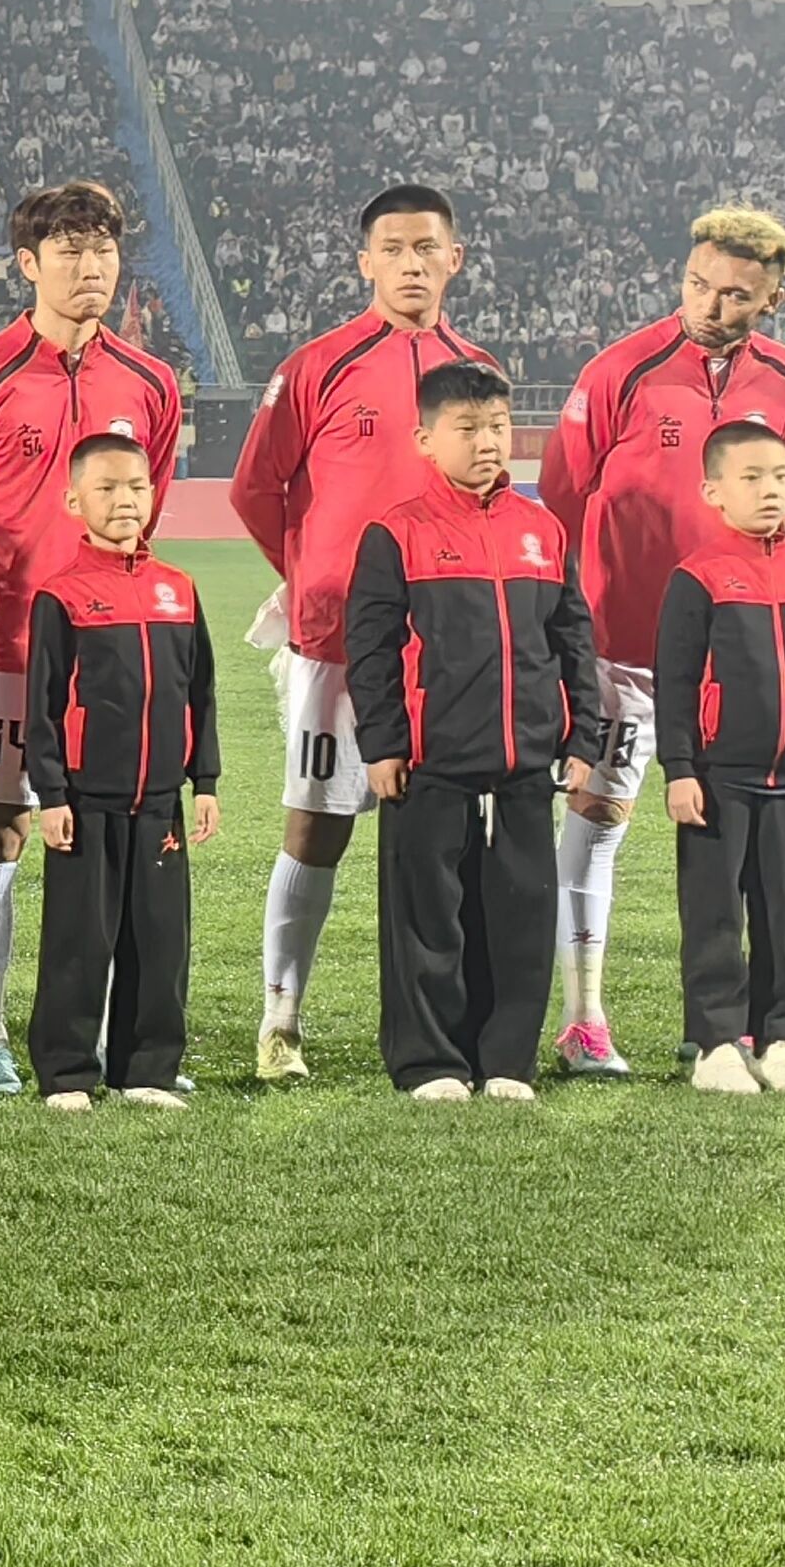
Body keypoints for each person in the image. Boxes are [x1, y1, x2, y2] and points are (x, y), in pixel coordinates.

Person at [0, 182, 182, 1097]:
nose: (91, 267)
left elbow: (148, 502)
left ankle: (100, 1037)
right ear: (27, 264)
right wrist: (0, 603)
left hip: (113, 649)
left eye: (103, 249)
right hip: (11, 651)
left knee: (108, 836)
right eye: (70, 250)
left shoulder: (149, 383)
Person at [226, 183, 496, 1082]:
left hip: (447, 647)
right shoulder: (318, 365)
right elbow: (255, 490)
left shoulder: (477, 370)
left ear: (455, 258)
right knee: (317, 826)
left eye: (427, 247)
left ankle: (437, 1028)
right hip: (338, 643)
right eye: (394, 249)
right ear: (366, 262)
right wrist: (313, 575)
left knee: (441, 838)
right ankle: (281, 1020)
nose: (412, 264)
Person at [538, 205, 785, 1081]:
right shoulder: (620, 370)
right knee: (599, 818)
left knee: (730, 834)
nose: (710, 306)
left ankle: (718, 1027)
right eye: (698, 284)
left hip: (731, 652)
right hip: (622, 646)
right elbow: (560, 504)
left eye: (735, 295)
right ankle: (583, 1021)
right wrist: (567, 637)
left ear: (770, 301)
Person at [342, 360, 595, 1102]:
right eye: (467, 428)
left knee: (521, 917)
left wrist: (582, 738)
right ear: (426, 440)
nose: (487, 442)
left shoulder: (542, 530)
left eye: (498, 426)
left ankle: (505, 1061)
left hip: (526, 765)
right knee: (427, 921)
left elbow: (574, 641)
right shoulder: (396, 533)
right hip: (430, 764)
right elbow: (371, 650)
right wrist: (384, 744)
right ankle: (430, 1063)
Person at [655, 422, 785, 1095]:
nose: (770, 489)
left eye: (779, 475)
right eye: (750, 478)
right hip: (720, 781)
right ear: (713, 491)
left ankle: (777, 1042)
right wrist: (680, 769)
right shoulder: (697, 577)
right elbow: (675, 683)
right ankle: (715, 1046)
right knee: (715, 917)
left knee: (784, 919)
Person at [21, 436, 219, 1110]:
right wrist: (51, 793)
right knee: (78, 942)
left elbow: (201, 693)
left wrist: (205, 782)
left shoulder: (179, 591)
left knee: (160, 942)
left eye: (136, 486)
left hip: (161, 802)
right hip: (86, 801)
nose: (124, 500)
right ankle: (67, 1073)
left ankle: (147, 1072)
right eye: (105, 488)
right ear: (74, 500)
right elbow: (43, 707)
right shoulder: (61, 595)